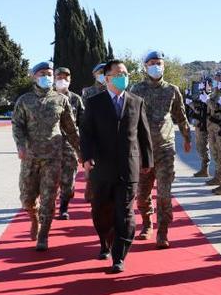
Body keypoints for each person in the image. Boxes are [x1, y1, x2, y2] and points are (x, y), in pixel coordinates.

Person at [80, 60, 153, 273]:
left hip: (128, 167)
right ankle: (105, 242)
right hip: (101, 167)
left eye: (126, 73)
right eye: (119, 73)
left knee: (125, 212)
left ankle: (119, 256)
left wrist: (147, 160)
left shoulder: (136, 101)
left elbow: (143, 132)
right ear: (108, 78)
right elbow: (86, 132)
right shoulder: (94, 102)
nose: (124, 76)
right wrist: (86, 157)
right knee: (101, 211)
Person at [12, 61, 80, 251]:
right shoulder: (24, 100)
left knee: (49, 198)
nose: (47, 77)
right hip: (30, 157)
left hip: (53, 156)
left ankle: (44, 234)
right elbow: (17, 125)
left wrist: (81, 152)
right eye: (42, 73)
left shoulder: (60, 100)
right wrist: (20, 145)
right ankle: (33, 217)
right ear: (34, 76)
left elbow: (71, 129)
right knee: (27, 198)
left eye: (49, 73)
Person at [131, 51, 192, 248]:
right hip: (143, 150)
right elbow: (129, 118)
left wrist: (186, 138)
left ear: (164, 66)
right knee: (141, 194)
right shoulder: (136, 89)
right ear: (145, 66)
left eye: (159, 63)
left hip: (166, 149)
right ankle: (147, 223)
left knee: (164, 194)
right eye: (152, 63)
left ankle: (162, 231)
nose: (156, 66)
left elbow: (181, 116)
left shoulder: (172, 90)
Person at [54, 67, 85, 220]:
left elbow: (83, 123)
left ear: (70, 80)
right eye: (59, 76)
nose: (62, 79)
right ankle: (47, 206)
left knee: (68, 179)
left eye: (66, 77)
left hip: (70, 146)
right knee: (49, 178)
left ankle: (63, 208)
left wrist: (82, 147)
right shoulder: (47, 98)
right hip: (49, 146)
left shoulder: (76, 99)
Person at [81, 62, 107, 202]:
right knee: (91, 166)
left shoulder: (113, 89)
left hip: (110, 134)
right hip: (94, 133)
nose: (103, 75)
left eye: (105, 71)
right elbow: (85, 115)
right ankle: (90, 185)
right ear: (94, 75)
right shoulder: (88, 92)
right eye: (100, 72)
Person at [205, 71, 221, 186]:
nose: (216, 80)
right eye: (215, 78)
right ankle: (217, 176)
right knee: (215, 153)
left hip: (218, 127)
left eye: (218, 78)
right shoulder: (214, 92)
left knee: (220, 153)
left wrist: (207, 100)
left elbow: (216, 108)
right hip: (211, 126)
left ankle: (220, 177)